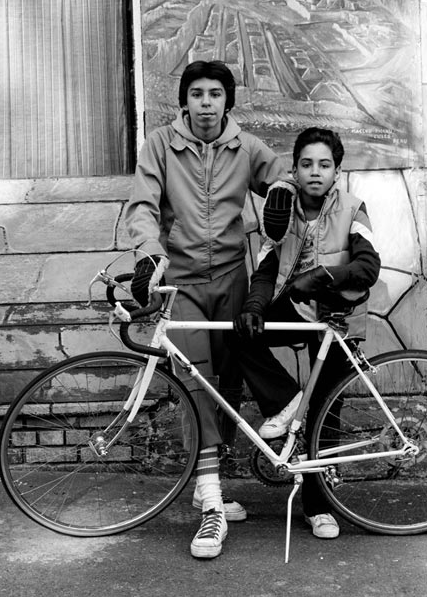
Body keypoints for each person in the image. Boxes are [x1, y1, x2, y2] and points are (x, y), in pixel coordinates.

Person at [125, 60, 293, 559]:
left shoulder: (246, 147)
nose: (205, 102)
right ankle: (212, 504)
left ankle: (209, 480)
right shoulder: (160, 145)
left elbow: (283, 177)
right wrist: (148, 253)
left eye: (215, 94)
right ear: (184, 101)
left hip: (232, 278)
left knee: (229, 383)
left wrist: (280, 194)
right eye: (196, 93)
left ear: (227, 101)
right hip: (182, 283)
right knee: (196, 382)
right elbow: (142, 206)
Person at [232, 127, 381, 540]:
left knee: (325, 413)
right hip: (295, 306)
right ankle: (285, 402)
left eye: (325, 165)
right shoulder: (281, 210)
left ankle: (319, 507)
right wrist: (255, 306)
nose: (316, 172)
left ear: (337, 171)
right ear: (294, 169)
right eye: (307, 164)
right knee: (239, 334)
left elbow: (368, 266)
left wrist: (323, 276)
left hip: (336, 315)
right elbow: (266, 269)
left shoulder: (353, 208)